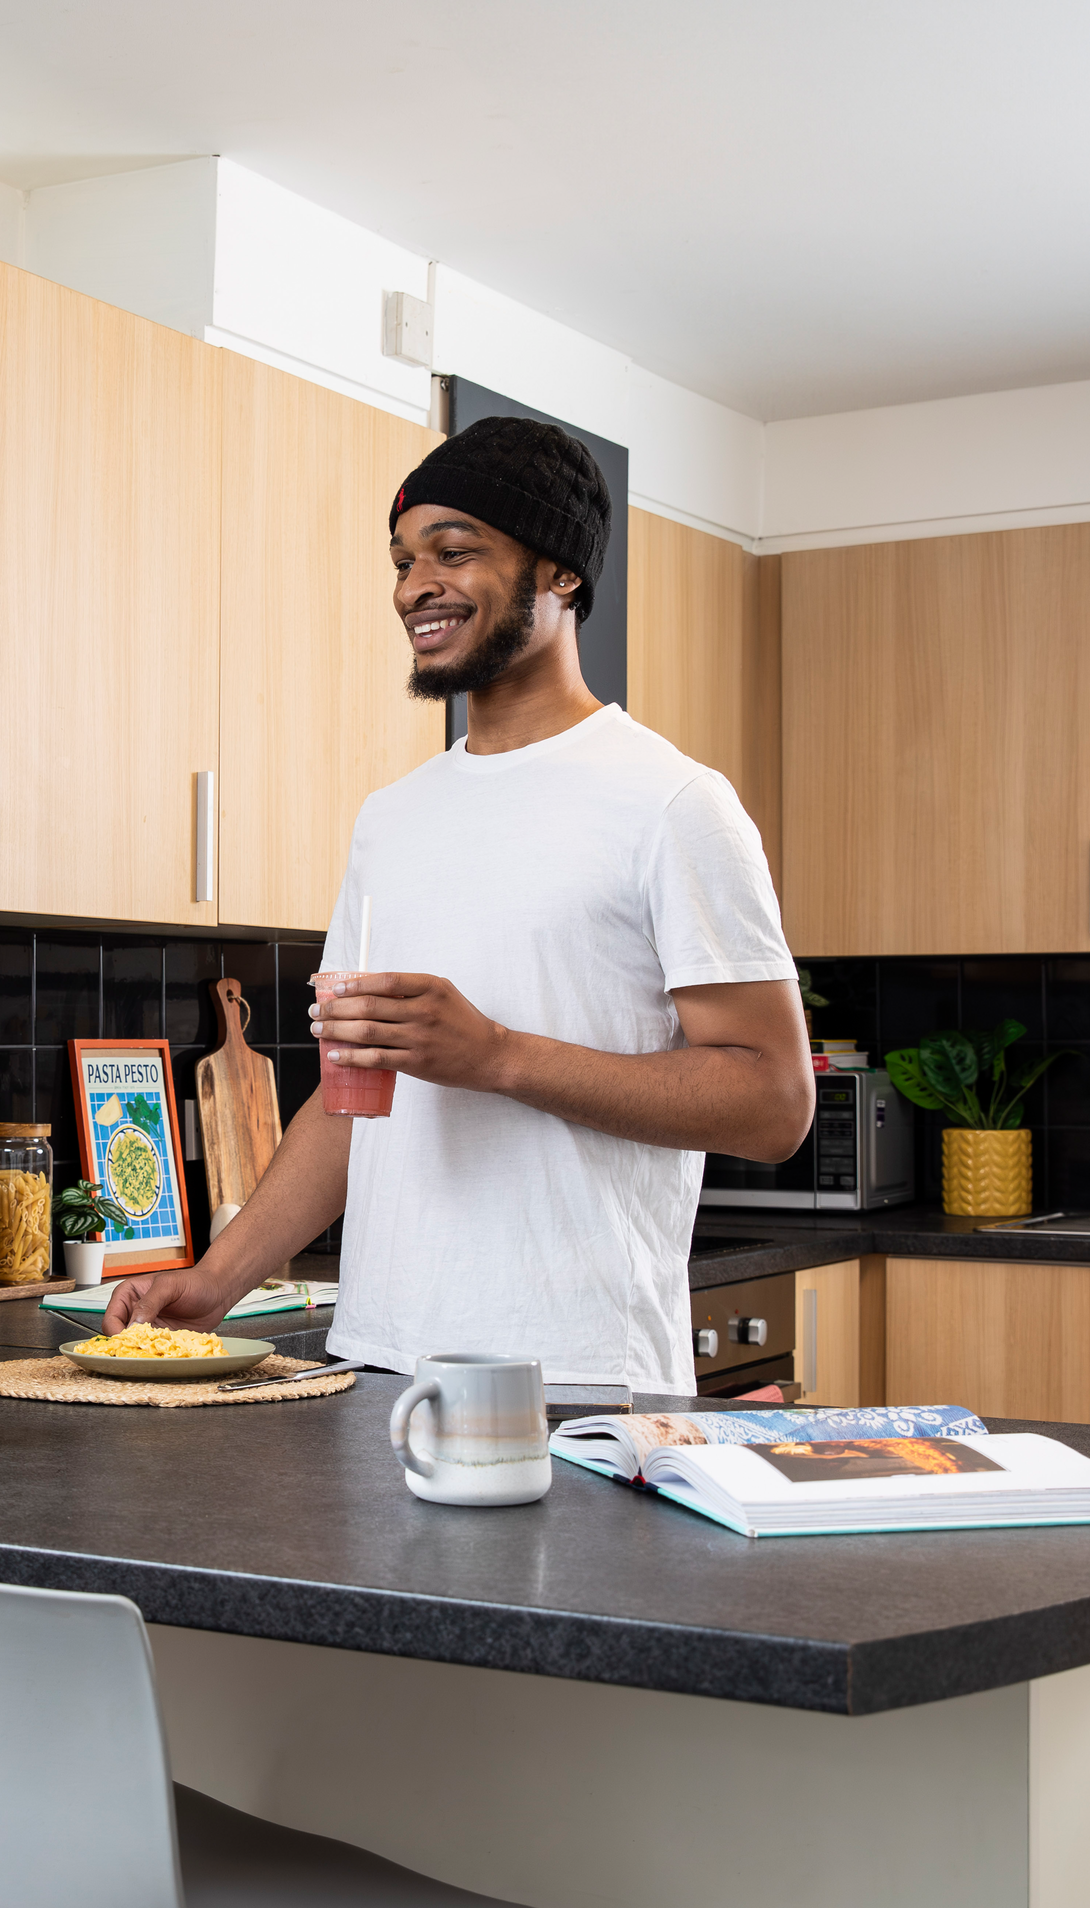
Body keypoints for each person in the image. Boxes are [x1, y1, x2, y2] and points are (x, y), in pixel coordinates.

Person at [106, 419, 813, 1393]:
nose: (413, 586)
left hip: (577, 1381)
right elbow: (353, 1101)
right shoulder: (392, 820)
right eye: (403, 560)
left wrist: (498, 1056)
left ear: (560, 571)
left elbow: (775, 1102)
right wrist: (215, 1283)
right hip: (379, 1364)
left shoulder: (674, 804)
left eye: (456, 550)